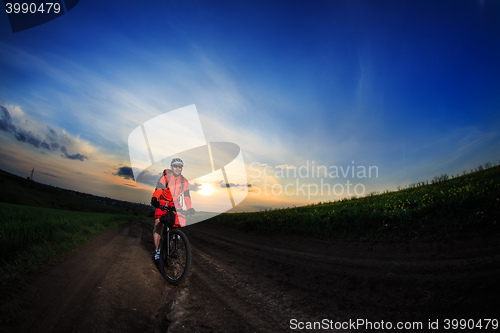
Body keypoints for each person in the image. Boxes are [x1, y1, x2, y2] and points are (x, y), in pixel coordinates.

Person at [150, 158, 195, 260]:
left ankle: (174, 236)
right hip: (163, 202)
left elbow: (187, 196)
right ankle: (157, 251)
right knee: (158, 225)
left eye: (180, 167)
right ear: (171, 167)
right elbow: (159, 190)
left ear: (182, 168)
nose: (177, 168)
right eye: (175, 166)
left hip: (176, 204)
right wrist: (154, 198)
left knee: (177, 222)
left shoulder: (184, 181)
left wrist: (189, 208)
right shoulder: (165, 178)